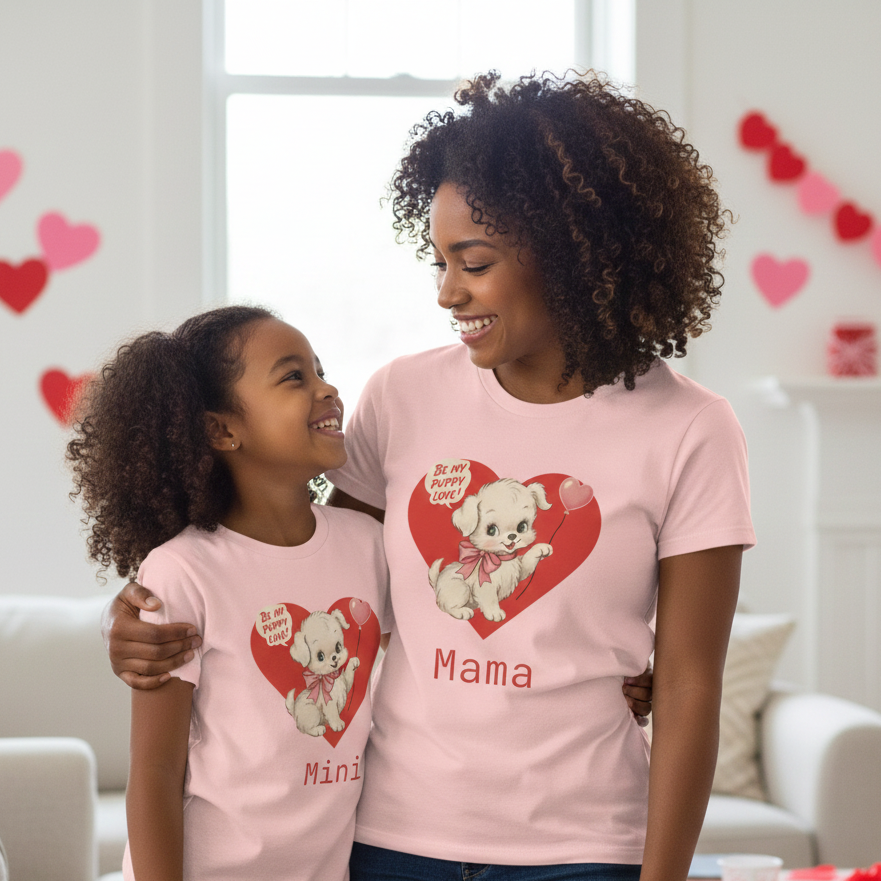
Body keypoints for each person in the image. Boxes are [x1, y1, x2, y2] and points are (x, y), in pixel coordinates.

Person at [104, 70, 754, 881]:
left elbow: (690, 684)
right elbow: (307, 566)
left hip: (586, 848)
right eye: (439, 261)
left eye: (471, 262)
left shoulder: (690, 428)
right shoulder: (401, 395)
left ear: (568, 252)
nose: (447, 292)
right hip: (389, 841)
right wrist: (146, 618)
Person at [68, 306, 391, 881]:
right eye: (294, 377)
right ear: (221, 430)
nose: (328, 389)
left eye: (320, 371)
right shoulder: (182, 571)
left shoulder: (366, 543)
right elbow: (155, 772)